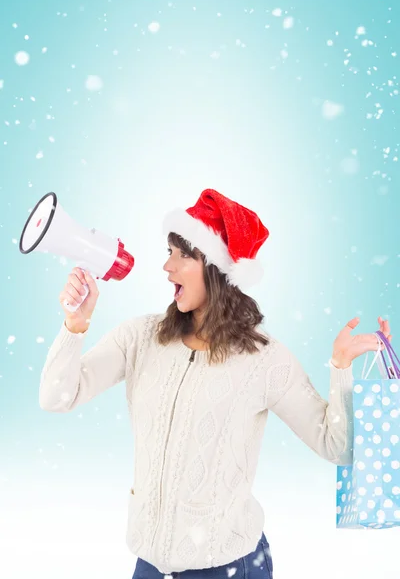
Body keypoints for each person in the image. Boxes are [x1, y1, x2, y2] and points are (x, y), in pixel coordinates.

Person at [39, 188, 392, 579]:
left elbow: (336, 445)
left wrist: (340, 366)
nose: (167, 267)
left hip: (228, 566)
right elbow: (57, 396)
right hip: (150, 566)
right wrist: (75, 324)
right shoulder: (139, 337)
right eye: (168, 252)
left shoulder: (264, 358)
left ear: (218, 270)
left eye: (183, 254)